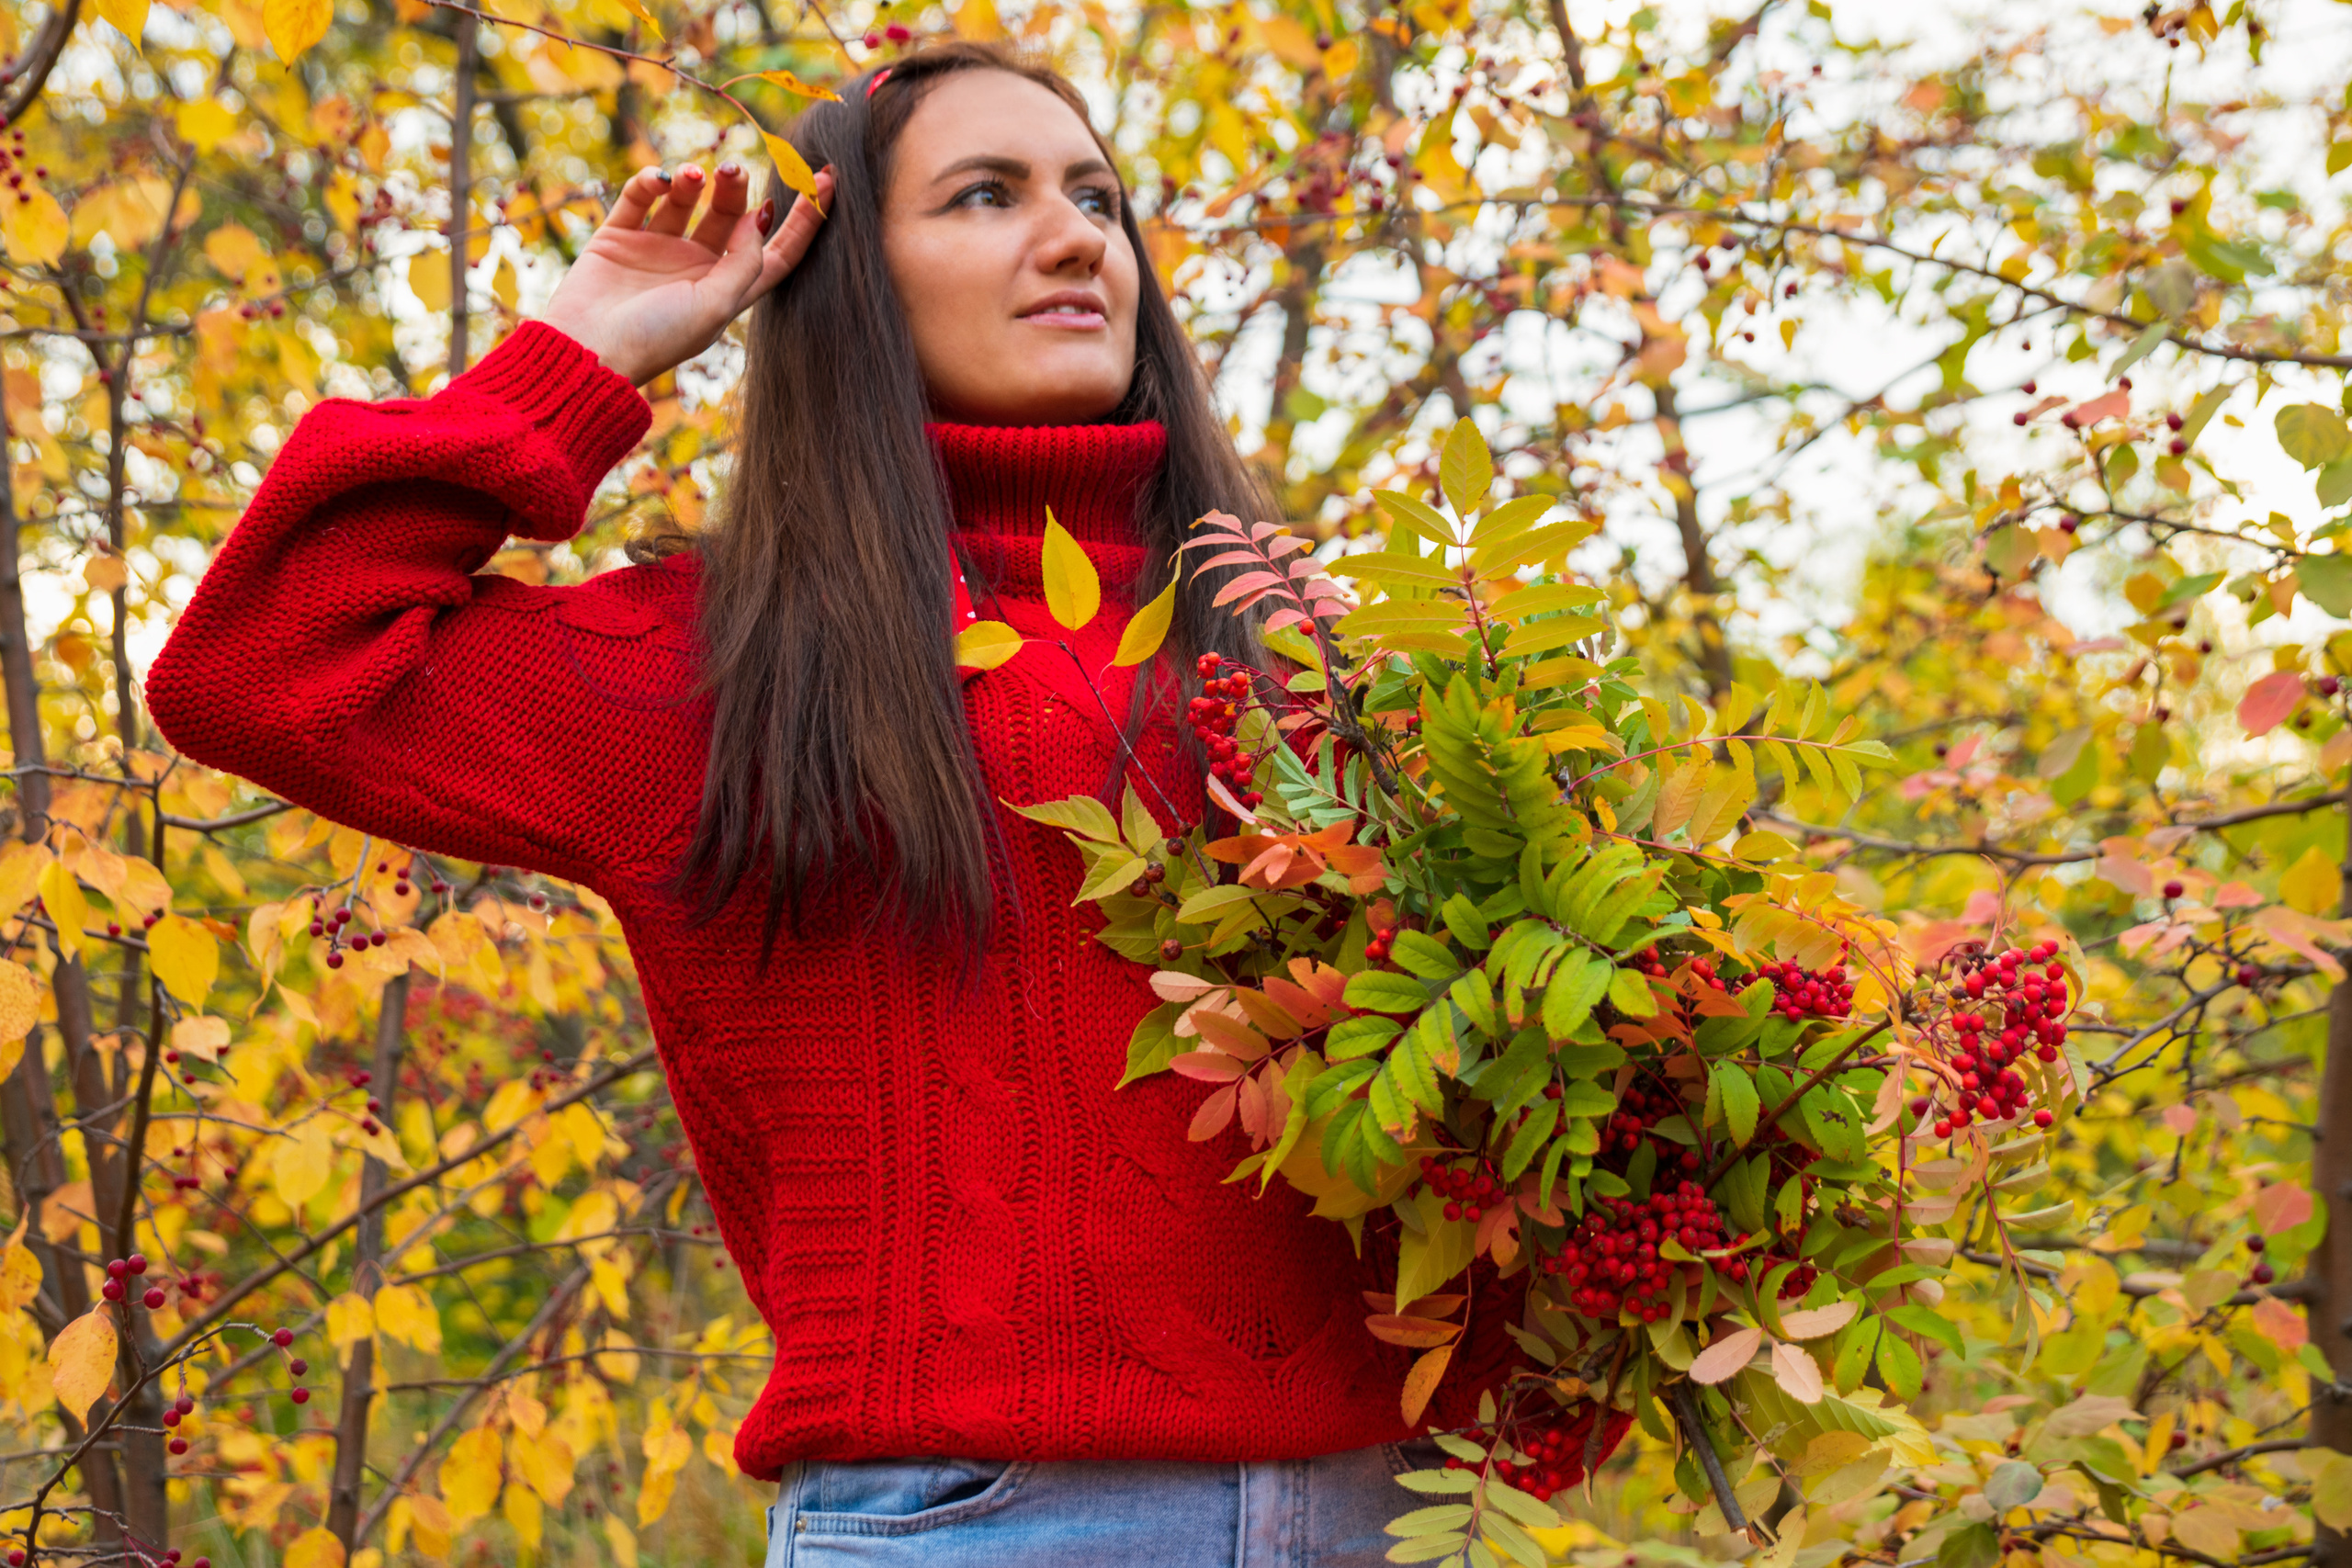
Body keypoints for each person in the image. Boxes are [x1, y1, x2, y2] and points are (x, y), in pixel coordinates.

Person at [147, 42, 1559, 1566]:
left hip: (1395, 1509)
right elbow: (260, 666)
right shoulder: (716, 673)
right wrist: (583, 347)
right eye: (983, 196)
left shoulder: (1321, 661)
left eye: (1097, 196)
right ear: (852, 286)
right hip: (973, 1525)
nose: (1080, 235)